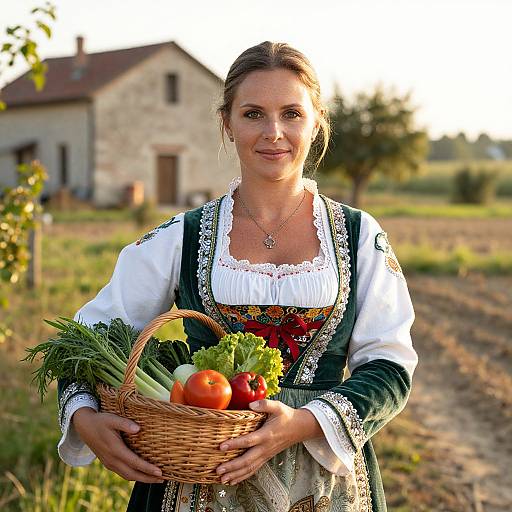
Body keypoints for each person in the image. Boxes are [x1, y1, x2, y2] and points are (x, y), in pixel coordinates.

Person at [56, 41, 418, 512]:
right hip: (197, 478)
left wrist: (304, 422)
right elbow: (86, 336)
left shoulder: (357, 236)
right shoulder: (181, 237)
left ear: (317, 121)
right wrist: (84, 417)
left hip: (321, 484)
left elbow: (390, 367)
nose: (273, 132)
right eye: (253, 114)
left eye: (291, 113)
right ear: (227, 123)